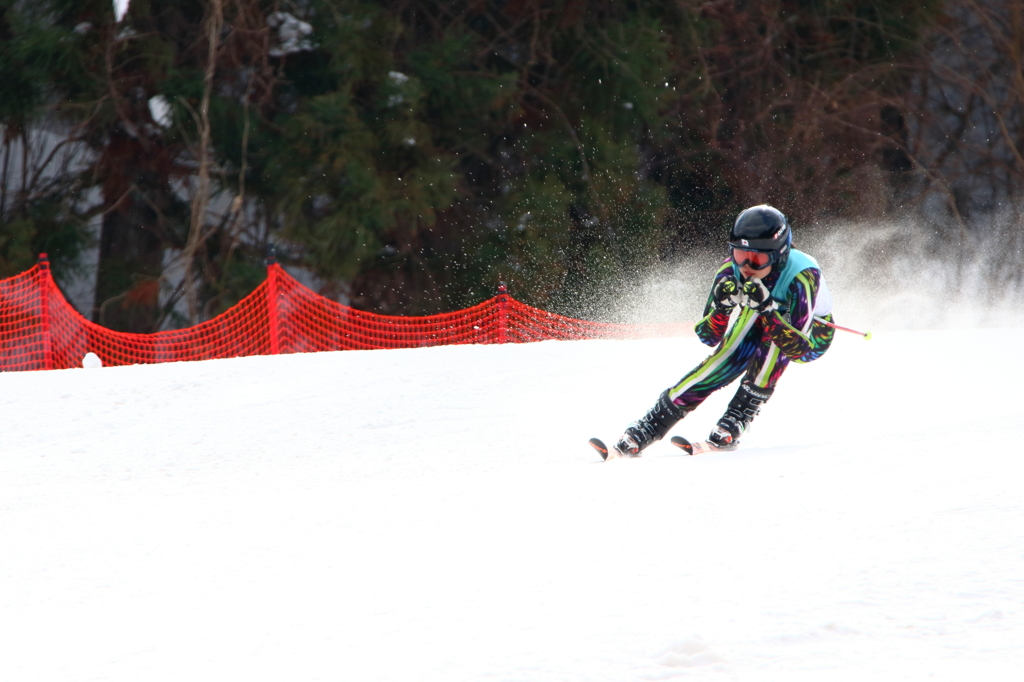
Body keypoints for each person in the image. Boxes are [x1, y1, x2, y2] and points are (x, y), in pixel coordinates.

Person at [613, 204, 835, 457]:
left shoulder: (803, 274)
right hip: (761, 315)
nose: (746, 266)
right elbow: (708, 336)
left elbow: (799, 350)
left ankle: (737, 417)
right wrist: (721, 309)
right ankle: (649, 426)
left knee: (772, 348)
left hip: (812, 334)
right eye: (739, 255)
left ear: (779, 254)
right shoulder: (729, 270)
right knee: (725, 356)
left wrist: (767, 311)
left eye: (758, 258)